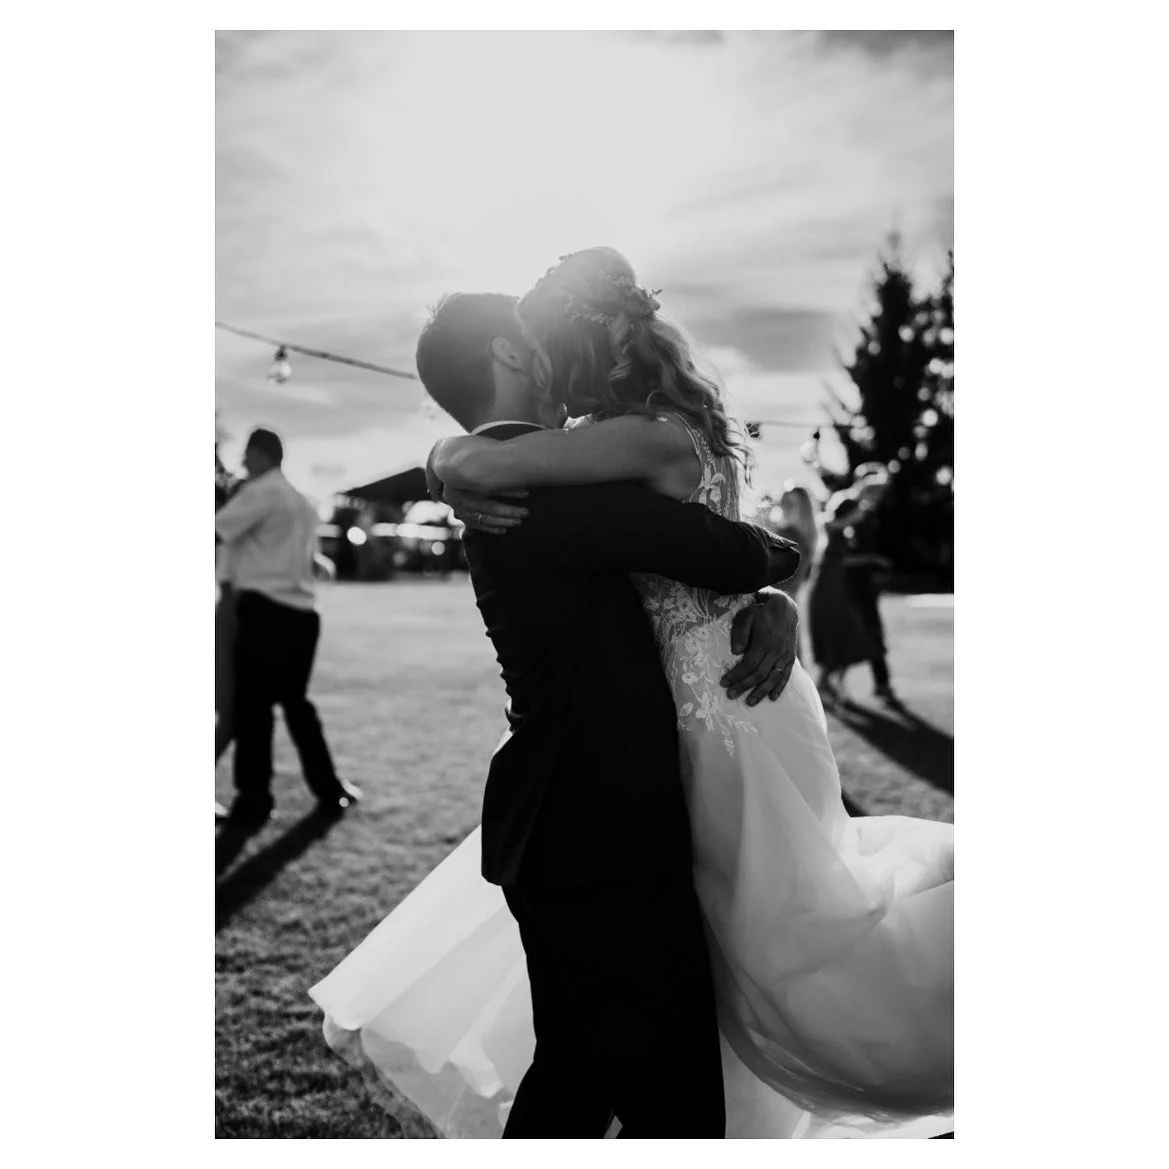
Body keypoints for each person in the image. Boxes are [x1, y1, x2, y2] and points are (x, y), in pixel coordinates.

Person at [313, 252, 953, 1139]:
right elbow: (721, 547)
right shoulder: (519, 477)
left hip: (585, 822)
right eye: (535, 341)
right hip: (600, 832)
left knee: (574, 1081)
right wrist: (770, 572)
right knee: (674, 1107)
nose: (552, 358)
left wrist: (445, 454)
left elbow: (696, 547)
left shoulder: (513, 468)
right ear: (513, 351)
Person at [215, 428, 360, 832]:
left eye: (248, 454)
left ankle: (253, 801)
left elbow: (217, 529)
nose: (243, 461)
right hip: (302, 615)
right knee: (297, 704)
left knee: (253, 710)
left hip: (264, 612)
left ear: (263, 454)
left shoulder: (261, 493)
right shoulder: (301, 501)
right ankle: (329, 789)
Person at [842, 463, 899, 704]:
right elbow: (839, 554)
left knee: (872, 631)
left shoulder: (869, 510)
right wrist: (873, 559)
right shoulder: (849, 508)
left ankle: (882, 685)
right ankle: (832, 681)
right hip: (850, 582)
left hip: (866, 581)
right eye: (872, 489)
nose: (878, 495)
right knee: (853, 632)